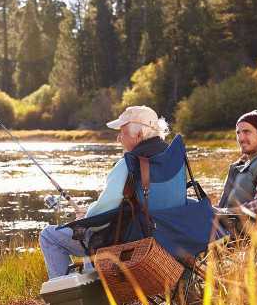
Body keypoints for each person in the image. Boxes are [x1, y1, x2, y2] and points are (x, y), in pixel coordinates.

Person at [39, 106, 171, 279]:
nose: (118, 138)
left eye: (123, 133)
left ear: (138, 135)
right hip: (164, 236)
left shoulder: (127, 165)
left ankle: (68, 300)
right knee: (90, 228)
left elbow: (100, 216)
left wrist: (85, 219)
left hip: (126, 242)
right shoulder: (171, 160)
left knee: (49, 235)